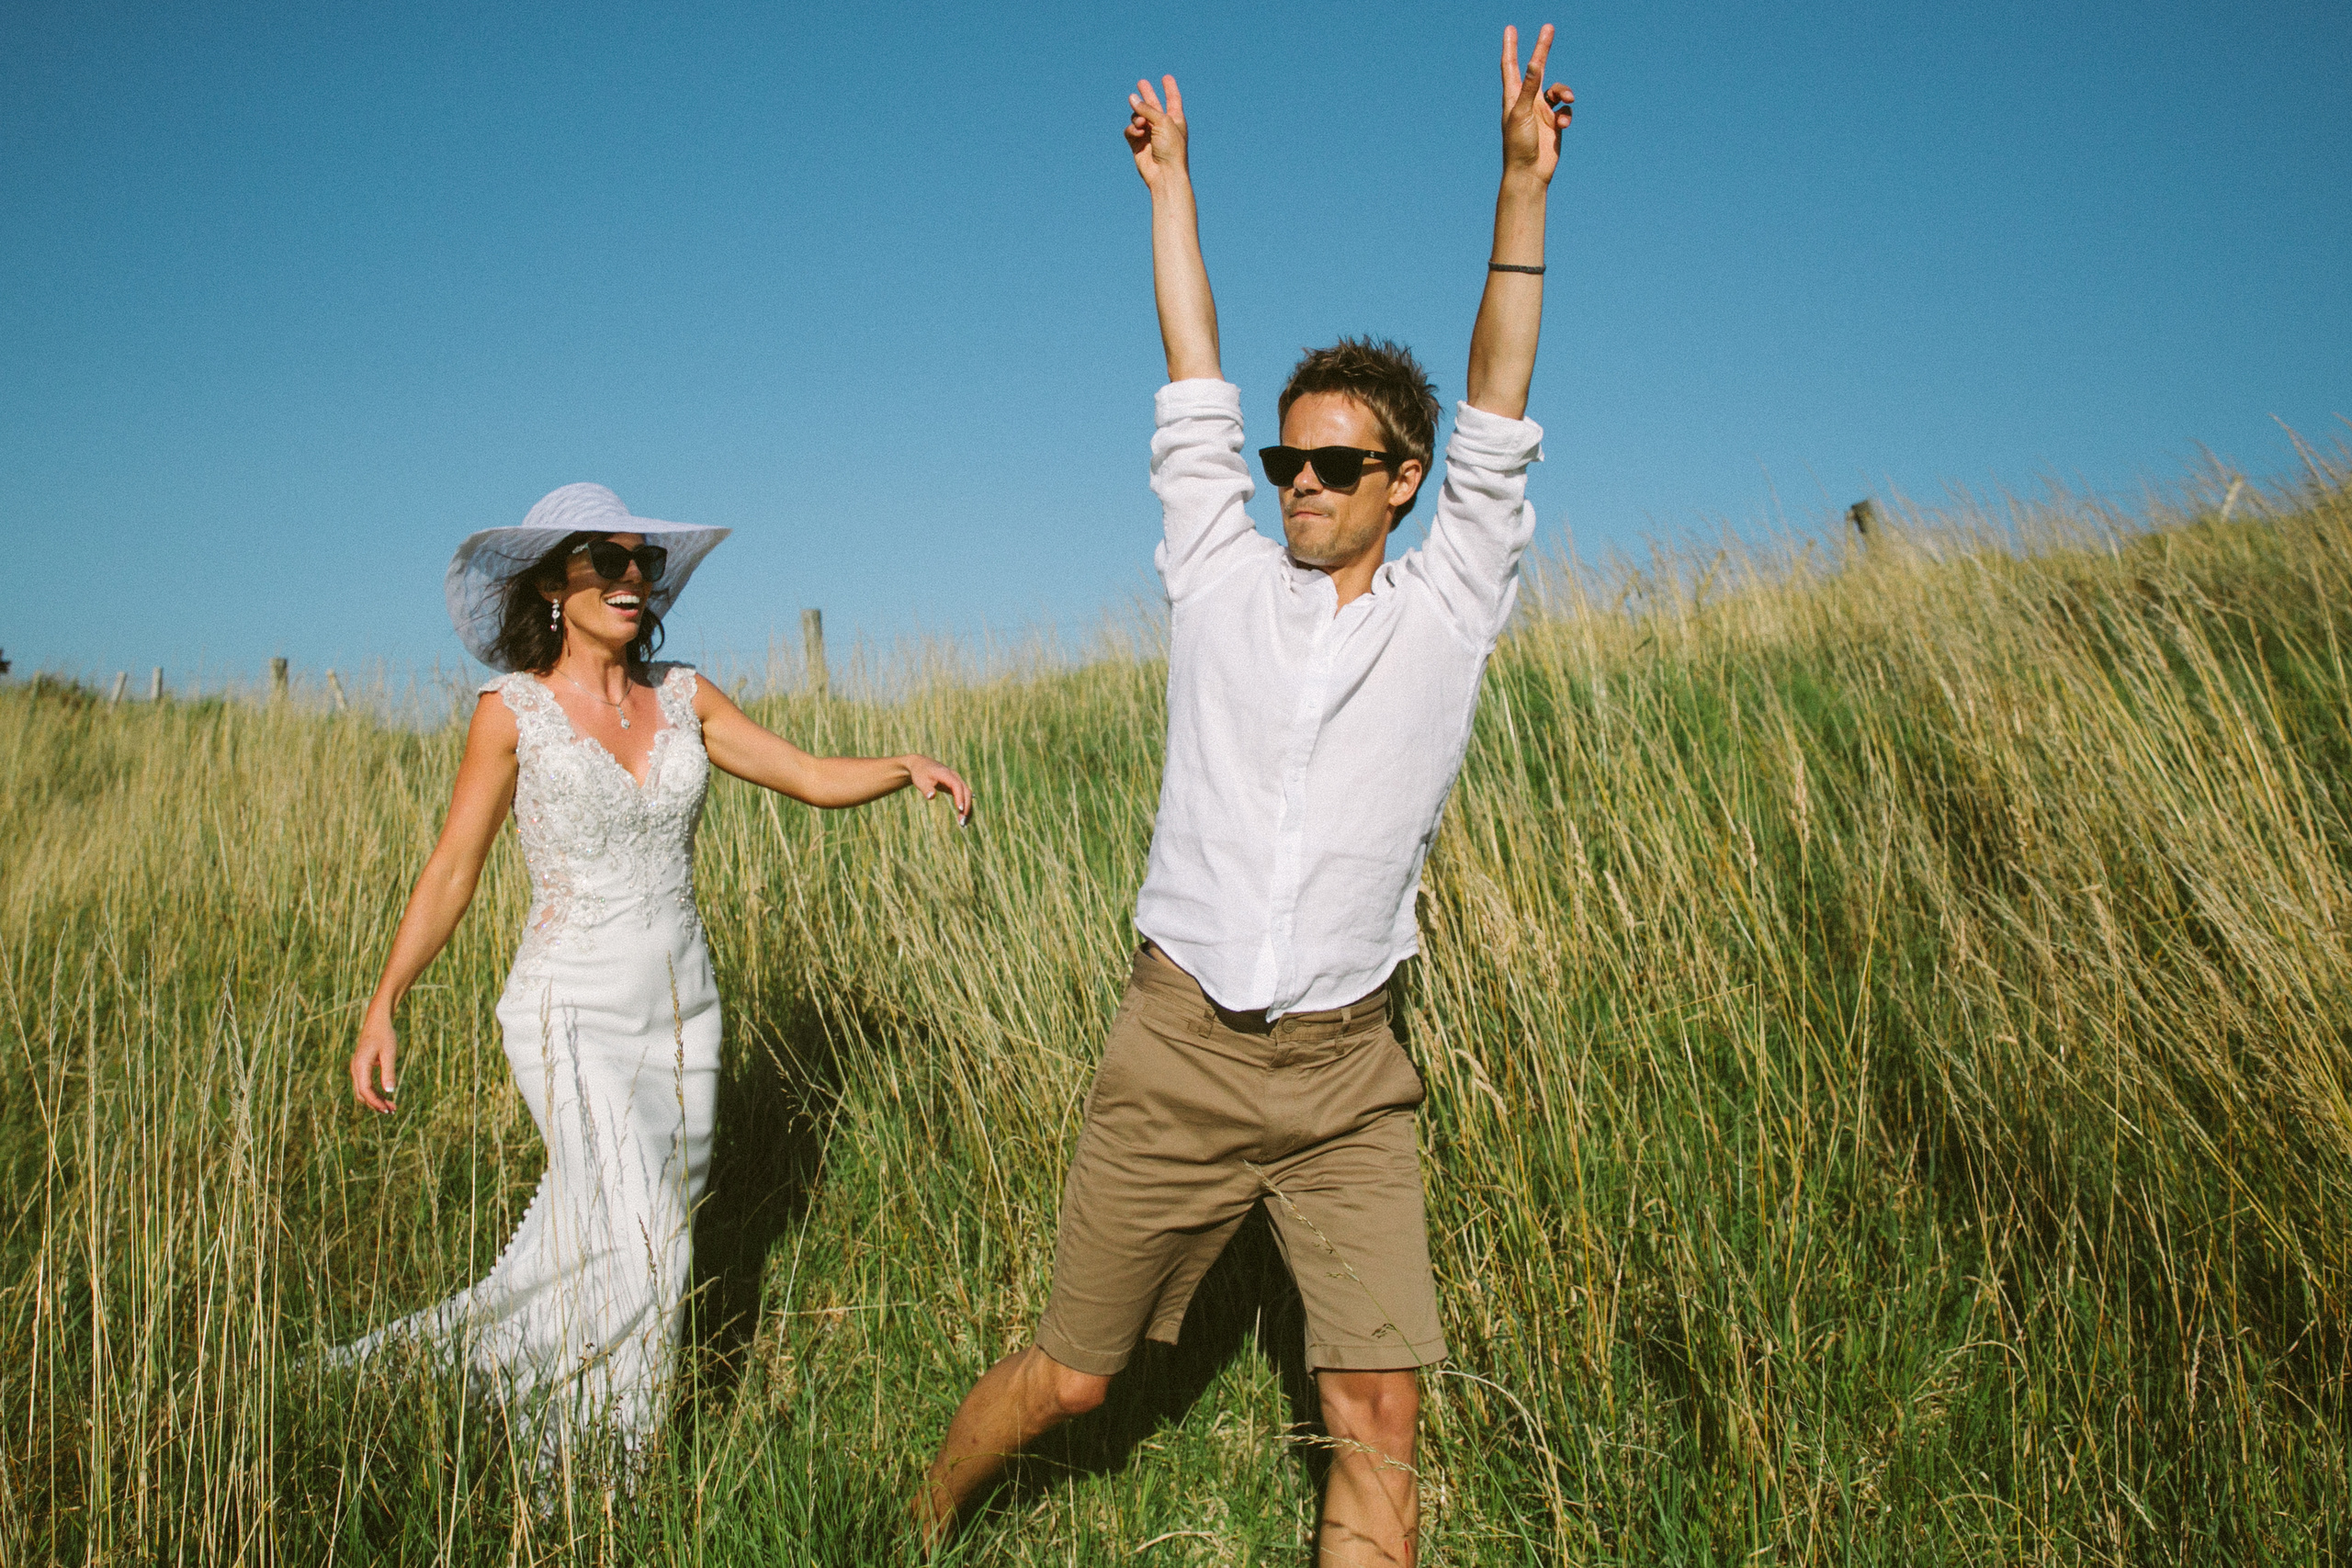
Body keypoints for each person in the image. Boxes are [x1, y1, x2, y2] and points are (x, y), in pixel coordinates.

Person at [915, 26, 1572, 1566]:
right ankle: (918, 1515)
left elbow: (1498, 401)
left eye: (1337, 465)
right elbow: (1192, 372)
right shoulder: (1213, 573)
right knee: (1078, 1373)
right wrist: (1170, 191)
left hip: (1350, 1075)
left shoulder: (1450, 604)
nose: (1299, 482)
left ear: (1401, 481)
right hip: (1178, 1044)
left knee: (1381, 1414)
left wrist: (1520, 191)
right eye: (1289, 460)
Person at [334, 480, 971, 1473]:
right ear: (553, 581)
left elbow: (804, 774)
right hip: (567, 1005)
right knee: (641, 1231)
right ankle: (595, 1476)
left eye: (644, 562)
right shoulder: (513, 713)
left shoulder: (684, 696)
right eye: (607, 560)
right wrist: (386, 1001)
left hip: (683, 1011)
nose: (633, 579)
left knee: (630, 1229)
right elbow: (453, 866)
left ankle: (488, 1381)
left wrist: (901, 766)